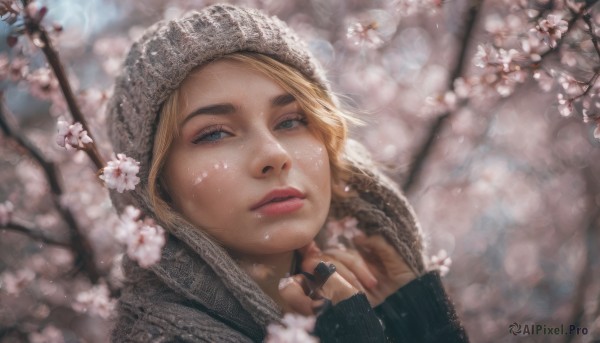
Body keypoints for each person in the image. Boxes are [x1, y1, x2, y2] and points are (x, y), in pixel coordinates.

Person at [106, 4, 469, 342]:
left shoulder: (368, 299)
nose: (273, 155)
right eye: (214, 133)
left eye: (292, 121)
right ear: (155, 185)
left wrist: (424, 325)